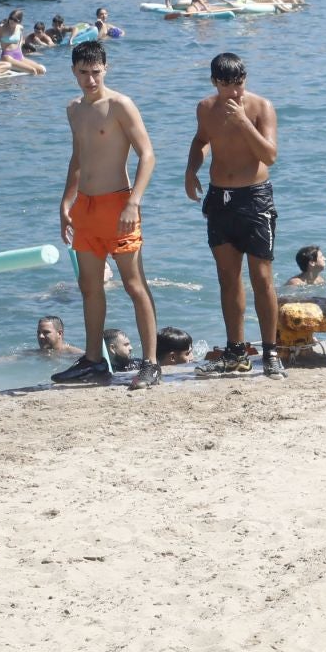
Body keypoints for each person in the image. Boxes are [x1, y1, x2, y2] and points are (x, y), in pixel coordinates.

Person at [53, 41, 162, 390]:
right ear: (73, 71)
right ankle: (93, 360)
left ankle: (151, 363)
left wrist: (134, 201)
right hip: (85, 206)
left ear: (106, 69)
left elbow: (147, 155)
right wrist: (66, 202)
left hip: (119, 205)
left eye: (95, 72)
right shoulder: (74, 109)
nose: (89, 79)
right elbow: (77, 158)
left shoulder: (120, 105)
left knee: (133, 284)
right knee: (89, 286)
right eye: (83, 73)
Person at [186, 52, 284, 378]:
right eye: (228, 86)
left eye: (240, 84)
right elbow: (202, 139)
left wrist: (244, 121)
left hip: (254, 199)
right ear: (215, 83)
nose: (235, 93)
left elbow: (269, 155)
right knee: (228, 278)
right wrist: (191, 170)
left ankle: (270, 351)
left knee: (262, 278)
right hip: (219, 199)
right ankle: (236, 351)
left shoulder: (260, 107)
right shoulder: (205, 108)